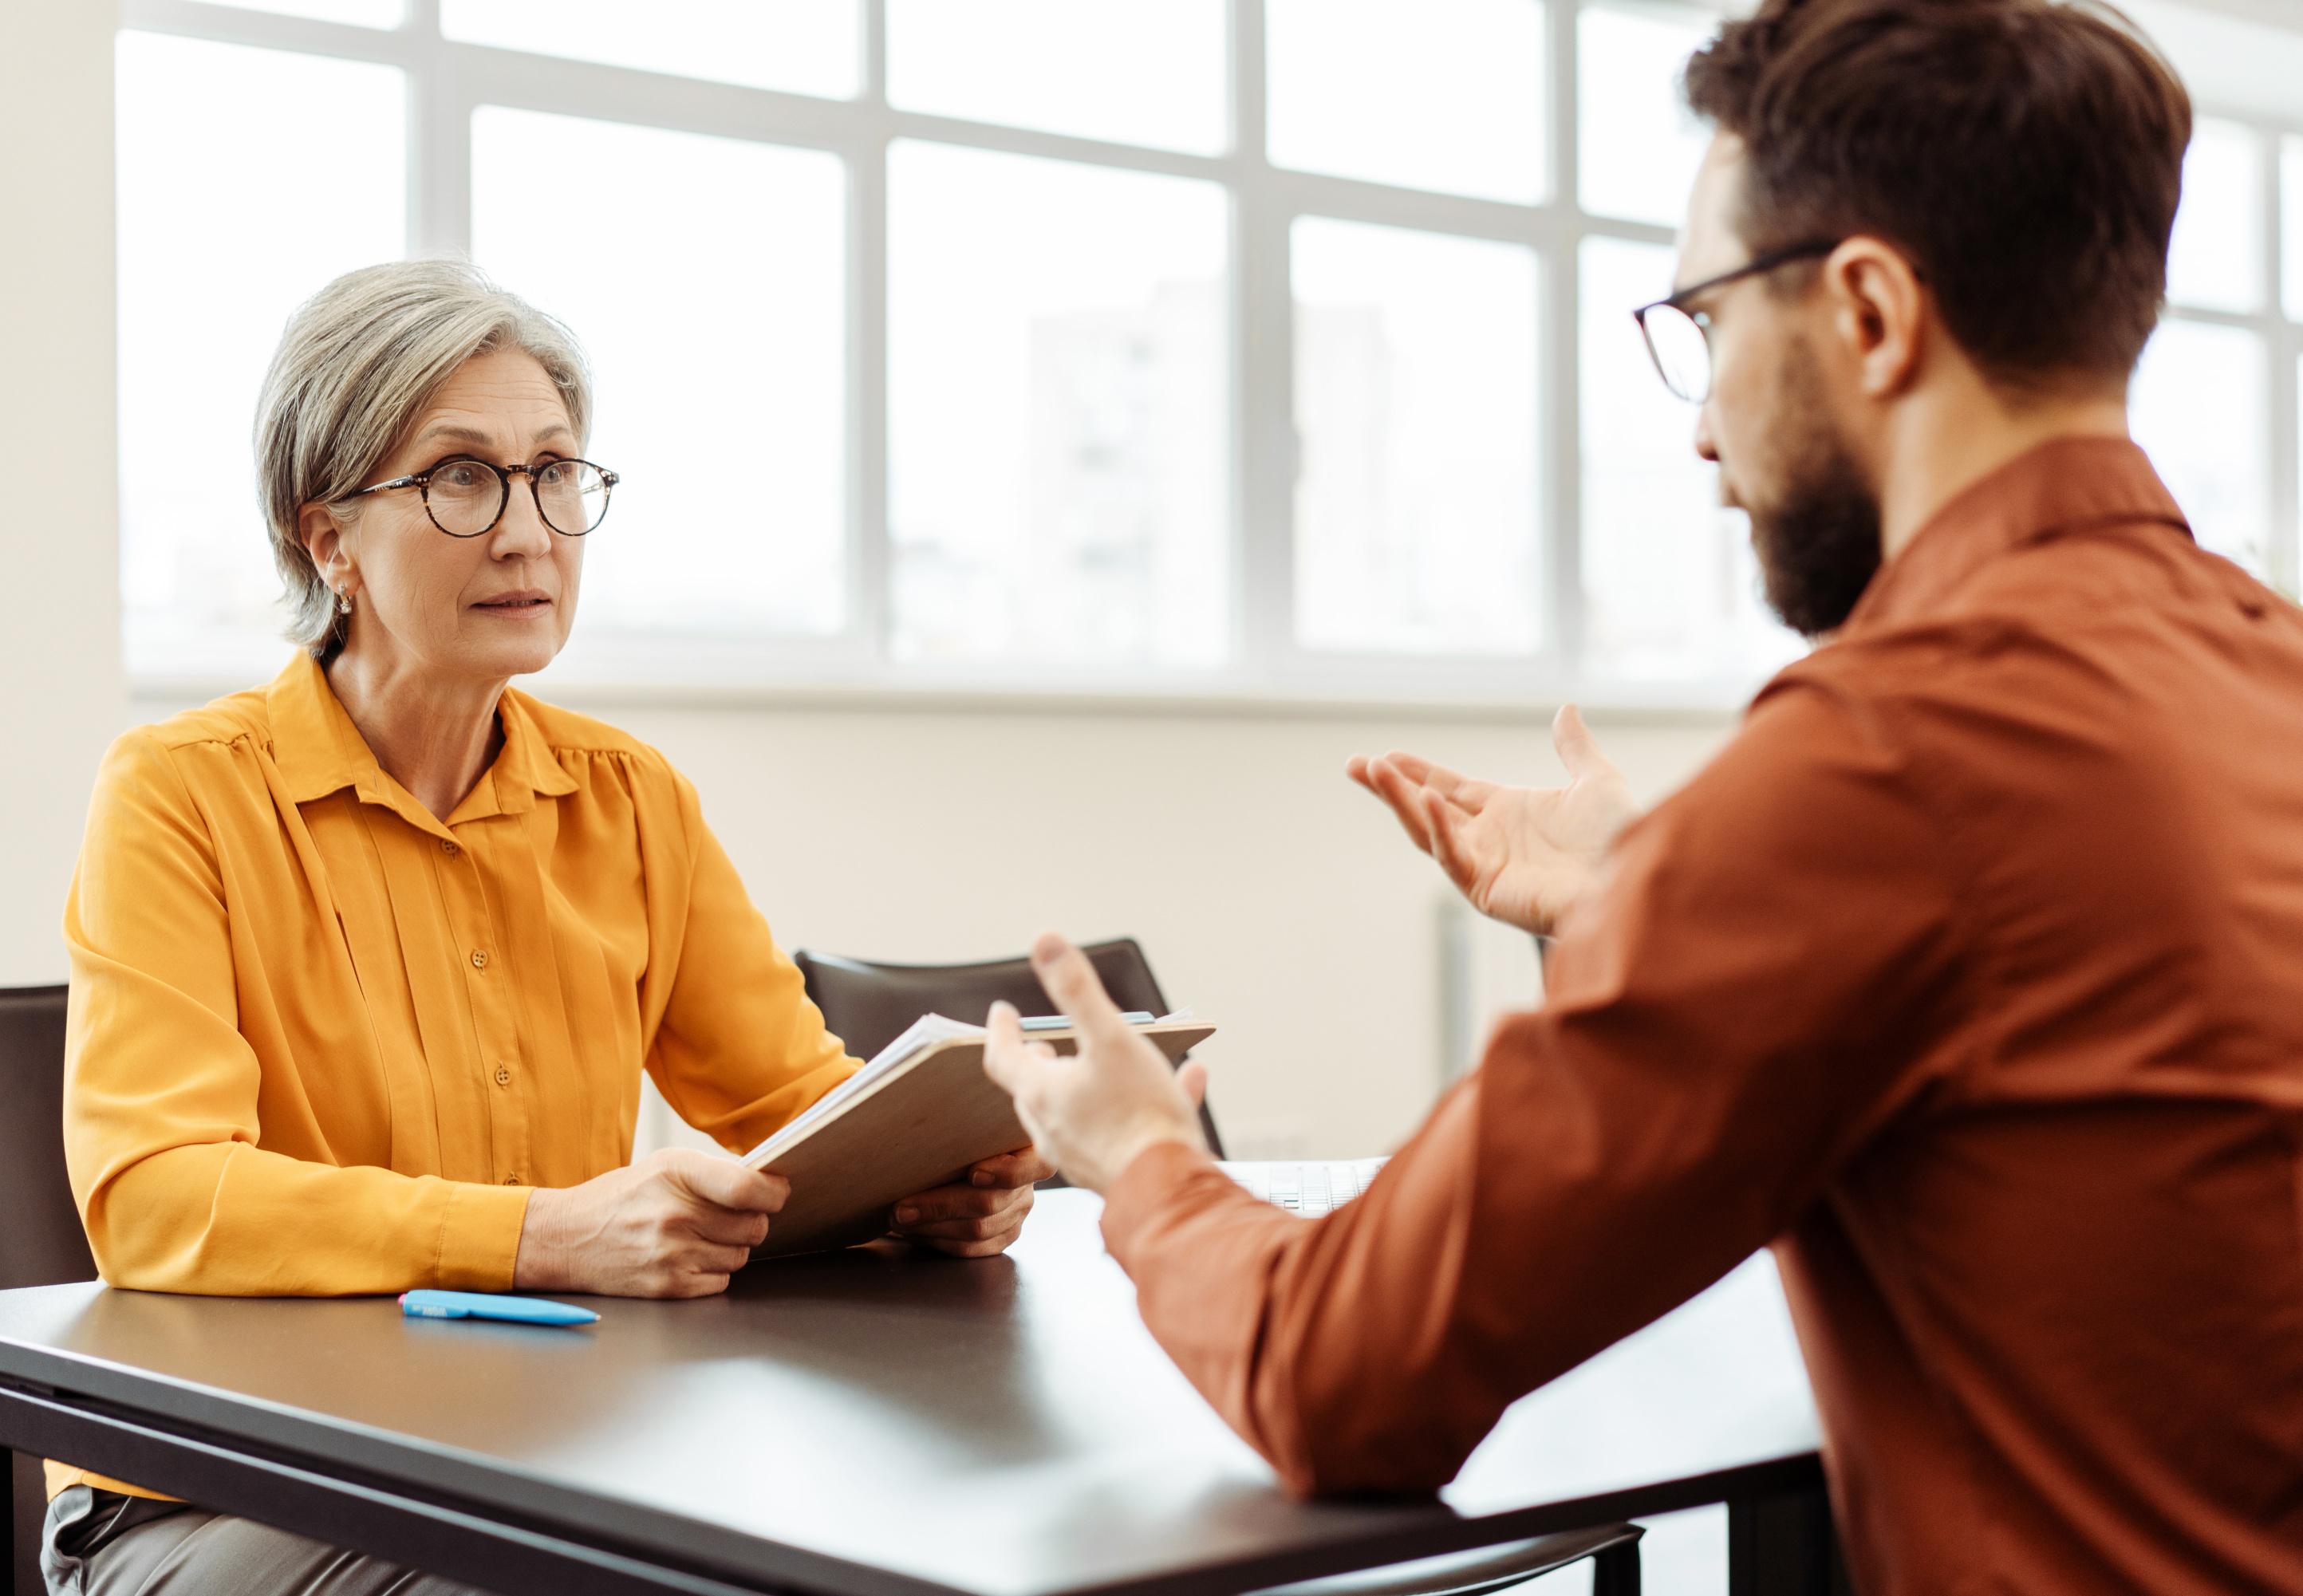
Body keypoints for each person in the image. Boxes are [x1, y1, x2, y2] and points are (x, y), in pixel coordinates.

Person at [981, 1, 2303, 1590]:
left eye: (1710, 322)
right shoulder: (2267, 670)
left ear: (1871, 312)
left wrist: (1142, 1154)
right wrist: (1653, 895)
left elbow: (1342, 1373)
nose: (1700, 432)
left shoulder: (1878, 760)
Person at [46, 260, 1050, 1595]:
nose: (527, 530)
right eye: (460, 477)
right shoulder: (181, 794)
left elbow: (793, 1112)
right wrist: (537, 1233)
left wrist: (932, 1178)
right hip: (217, 1486)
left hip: (534, 1457)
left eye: (555, 473)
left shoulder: (631, 800)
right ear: (326, 537)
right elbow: (157, 1199)